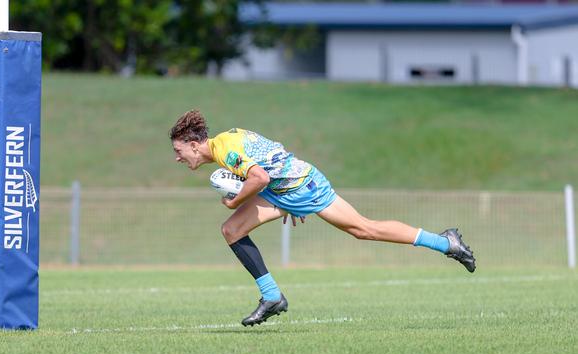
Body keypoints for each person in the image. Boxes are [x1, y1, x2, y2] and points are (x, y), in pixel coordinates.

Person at [169, 110, 476, 327]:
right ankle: (272, 297)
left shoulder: (225, 151)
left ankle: (445, 242)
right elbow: (271, 159)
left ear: (194, 145)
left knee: (364, 229)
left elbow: (259, 177)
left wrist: (235, 200)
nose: (178, 157)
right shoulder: (228, 139)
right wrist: (282, 202)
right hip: (286, 188)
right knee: (232, 230)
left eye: (179, 151)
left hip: (304, 185)